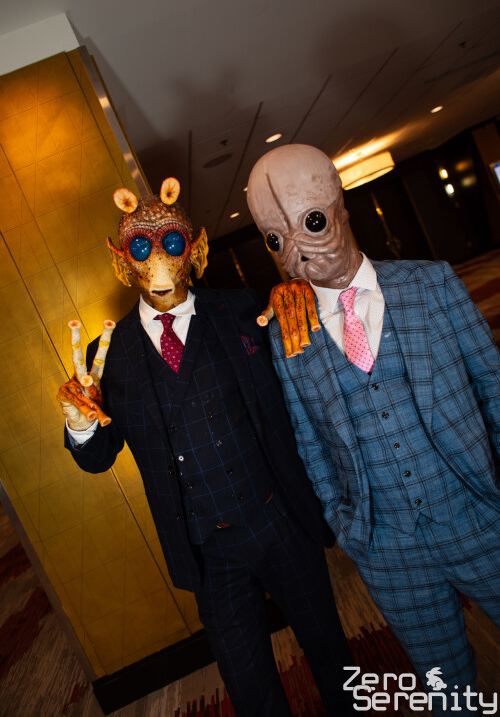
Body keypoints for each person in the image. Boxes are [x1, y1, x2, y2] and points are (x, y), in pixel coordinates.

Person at [57, 179, 355, 717]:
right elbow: (98, 458)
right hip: (206, 550)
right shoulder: (108, 355)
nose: (158, 256)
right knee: (249, 685)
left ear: (193, 248)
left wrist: (298, 295)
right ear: (123, 260)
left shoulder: (243, 310)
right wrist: (81, 426)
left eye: (170, 241)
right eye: (141, 246)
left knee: (332, 654)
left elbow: (307, 373)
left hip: (279, 518)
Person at [247, 143, 500, 715]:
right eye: (276, 241)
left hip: (480, 514)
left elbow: (493, 388)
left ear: (341, 206)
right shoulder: (289, 333)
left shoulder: (431, 284)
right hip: (386, 548)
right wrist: (350, 527)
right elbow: (309, 443)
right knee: (445, 687)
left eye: (312, 223)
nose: (297, 253)